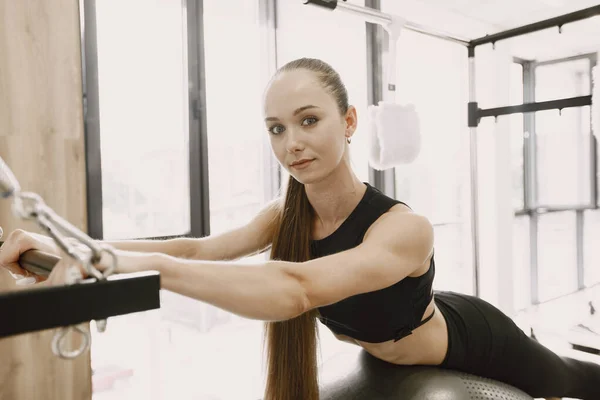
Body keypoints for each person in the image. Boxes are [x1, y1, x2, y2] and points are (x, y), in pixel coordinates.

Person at [0, 57, 599, 400]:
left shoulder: (403, 228)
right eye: (276, 128)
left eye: (308, 120)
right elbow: (198, 246)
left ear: (349, 122)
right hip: (389, 349)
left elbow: (299, 289)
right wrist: (60, 242)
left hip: (475, 335)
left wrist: (143, 270)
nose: (292, 143)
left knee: (572, 379)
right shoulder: (285, 216)